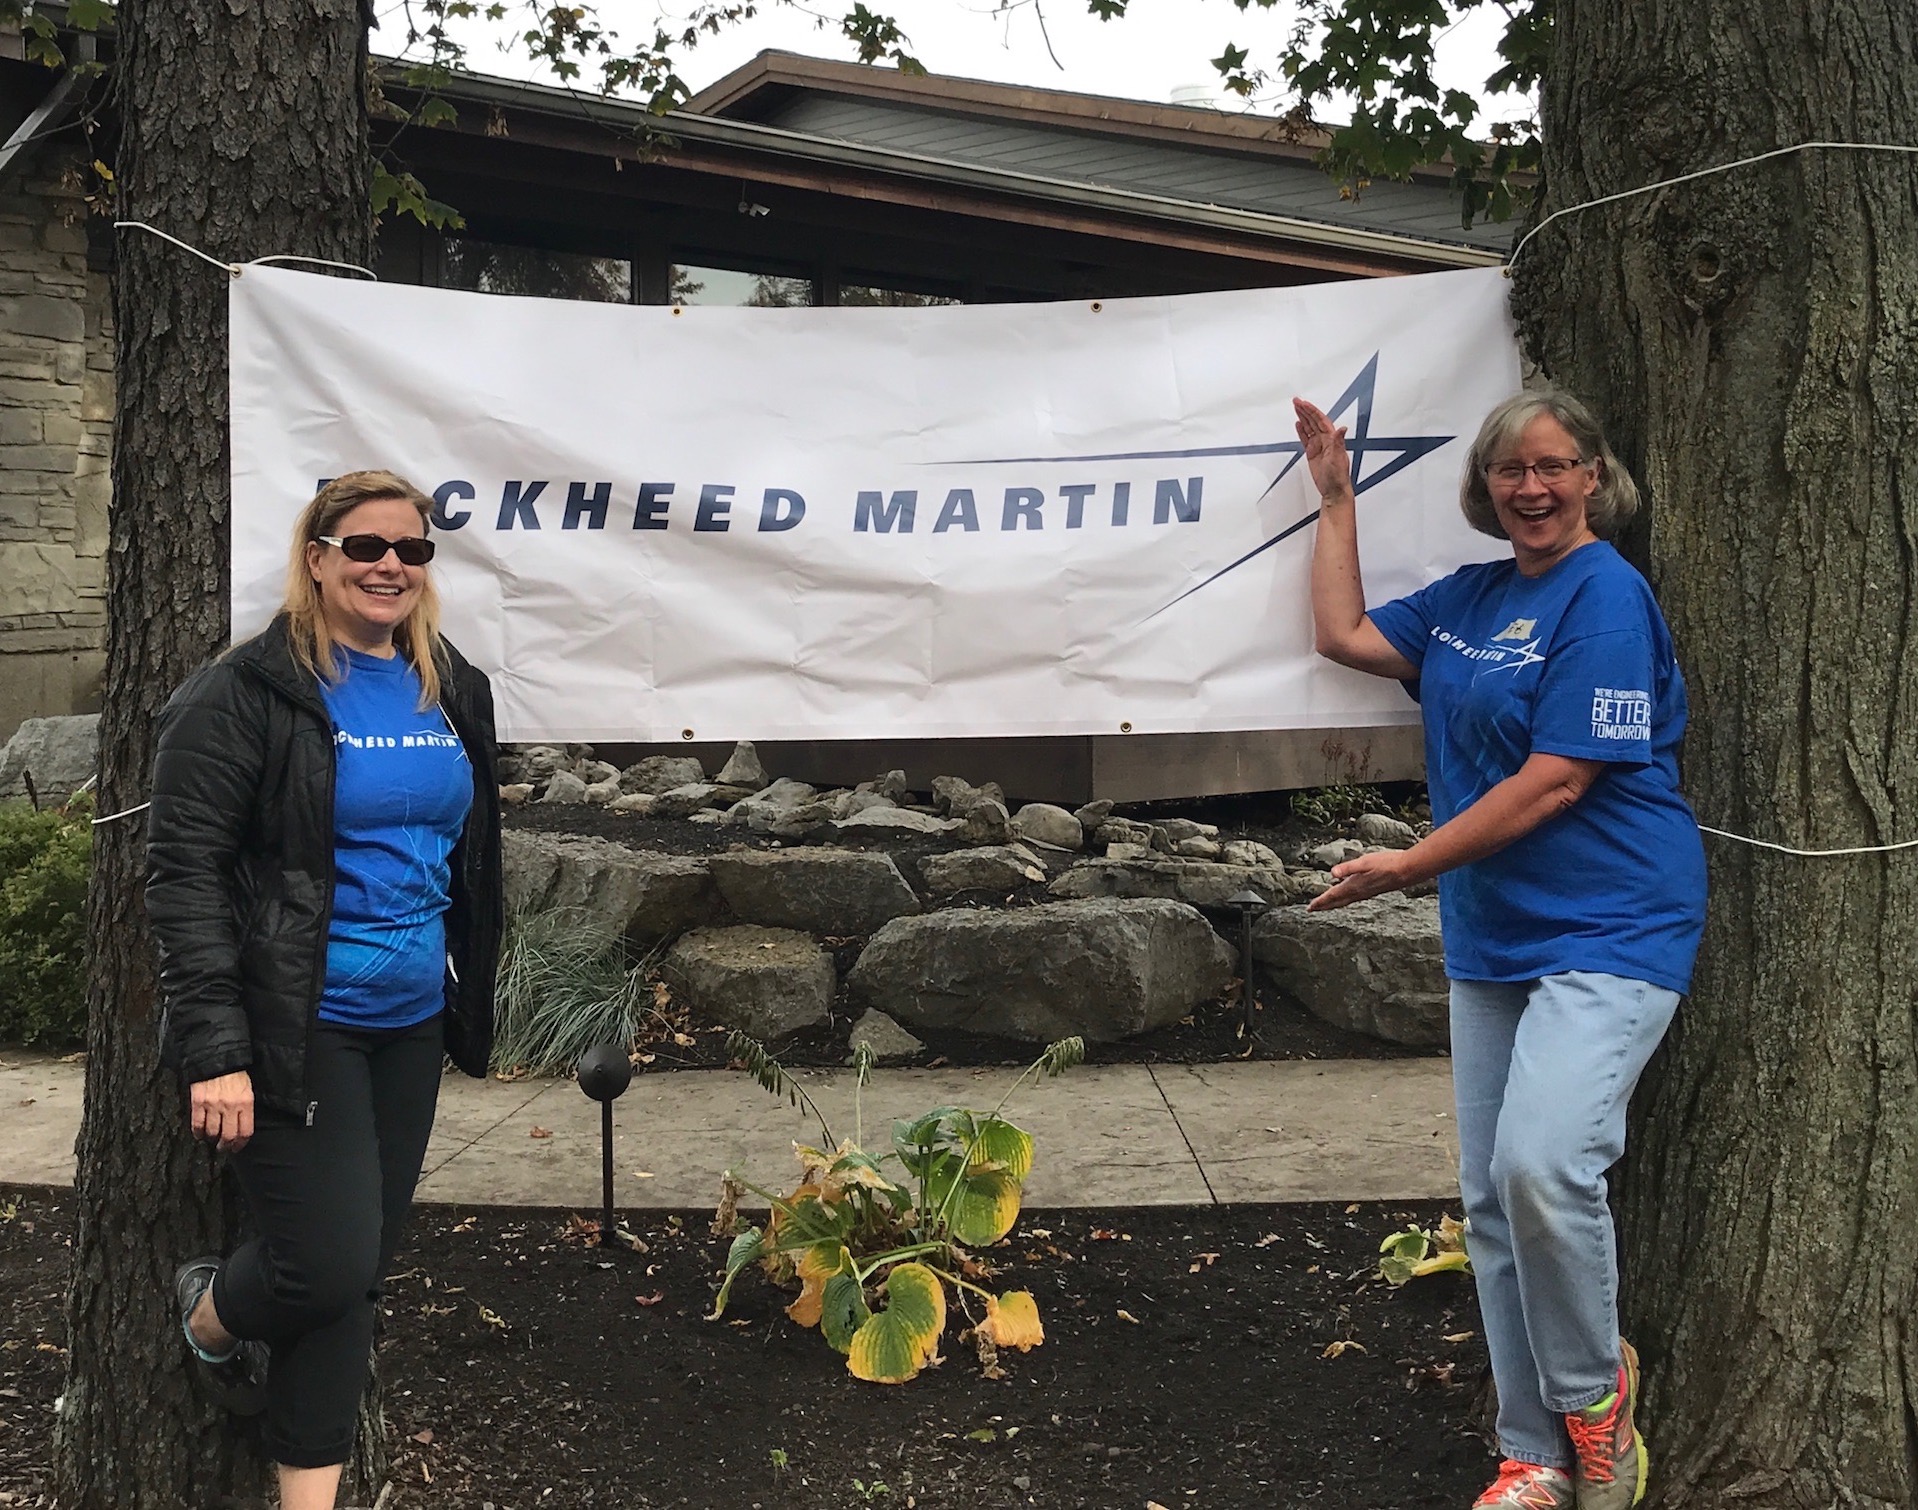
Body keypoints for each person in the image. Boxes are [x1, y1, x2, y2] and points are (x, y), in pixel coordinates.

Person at [1293, 389, 1706, 1510]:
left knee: (1542, 1164)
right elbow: (1343, 637)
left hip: (1613, 926)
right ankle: (1530, 1453)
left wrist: (1404, 864)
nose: (1529, 488)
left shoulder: (1606, 597)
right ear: (1484, 490)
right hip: (1493, 936)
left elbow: (1560, 777)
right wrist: (1335, 502)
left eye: (1552, 466)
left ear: (1591, 476)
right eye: (1508, 472)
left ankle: (1591, 1407)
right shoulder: (1474, 596)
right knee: (1487, 1199)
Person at [147, 471, 503, 1510]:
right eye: (366, 546)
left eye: (412, 549)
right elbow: (185, 873)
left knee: (350, 1283)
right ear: (317, 558)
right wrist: (215, 1047)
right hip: (295, 1028)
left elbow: (467, 853)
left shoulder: (449, 684)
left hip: (409, 1023)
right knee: (324, 1267)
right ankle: (209, 1311)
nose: (391, 563)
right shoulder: (249, 691)